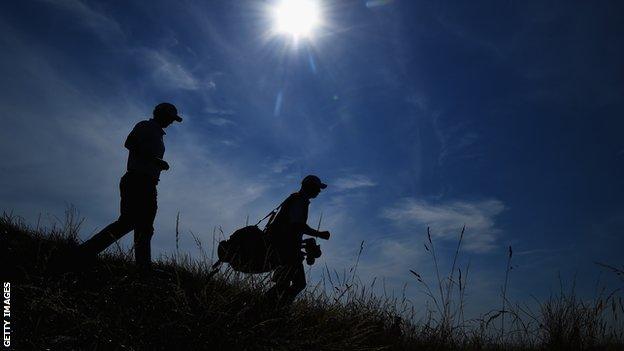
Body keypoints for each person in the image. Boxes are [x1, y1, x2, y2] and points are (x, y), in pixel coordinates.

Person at [78, 102, 182, 270]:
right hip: (137, 181)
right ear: (161, 114)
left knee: (144, 227)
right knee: (129, 223)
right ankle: (85, 252)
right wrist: (155, 161)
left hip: (147, 183)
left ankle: (143, 267)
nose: (171, 122)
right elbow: (130, 143)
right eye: (170, 118)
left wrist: (155, 163)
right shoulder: (146, 126)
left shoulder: (157, 133)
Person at [265, 175, 331, 305]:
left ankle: (271, 306)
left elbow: (293, 228)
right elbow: (297, 226)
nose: (319, 191)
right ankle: (272, 306)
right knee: (298, 283)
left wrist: (307, 241)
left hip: (284, 245)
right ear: (309, 187)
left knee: (284, 283)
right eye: (317, 188)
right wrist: (319, 234)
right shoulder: (299, 200)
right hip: (286, 248)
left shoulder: (298, 199)